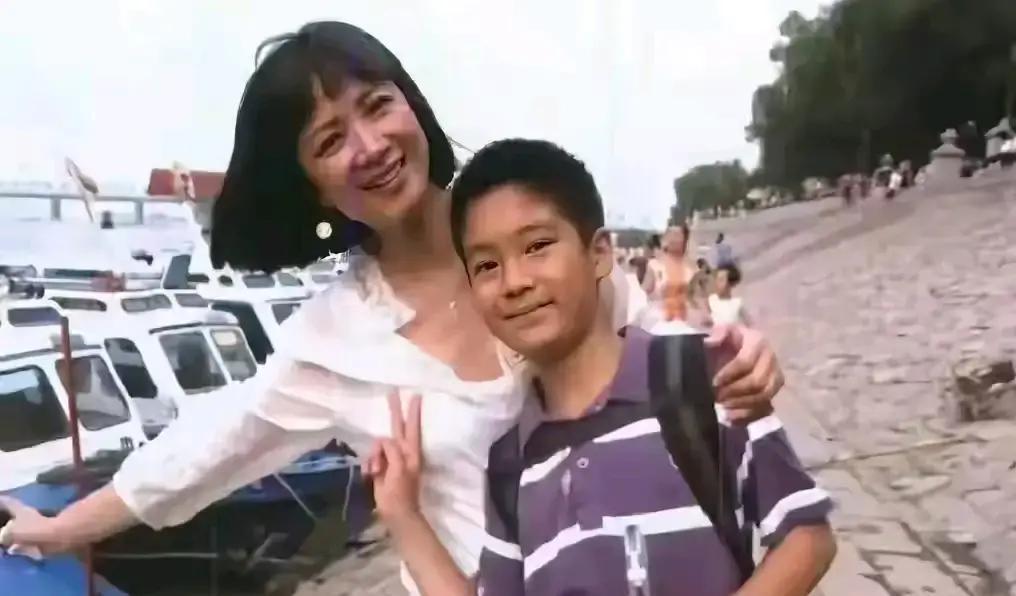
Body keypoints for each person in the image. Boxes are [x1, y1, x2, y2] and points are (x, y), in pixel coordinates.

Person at [0, 22, 786, 594]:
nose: (370, 146)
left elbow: (661, 353)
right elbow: (205, 452)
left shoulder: (528, 229)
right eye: (329, 140)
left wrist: (740, 359)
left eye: (377, 106)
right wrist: (60, 527)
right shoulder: (335, 342)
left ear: (413, 106)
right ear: (312, 187)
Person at [366, 139, 836, 595]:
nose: (514, 282)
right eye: (487, 266)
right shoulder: (512, 464)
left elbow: (806, 537)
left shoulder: (702, 375)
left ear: (599, 254)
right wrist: (404, 516)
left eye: (537, 245)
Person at [709, 263, 752, 327]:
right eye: (716, 279)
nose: (716, 283)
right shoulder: (710, 301)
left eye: (721, 280)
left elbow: (748, 325)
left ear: (731, 284)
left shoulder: (738, 303)